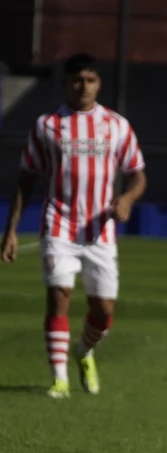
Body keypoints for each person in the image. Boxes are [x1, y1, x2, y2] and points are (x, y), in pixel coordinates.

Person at [1, 53, 147, 399]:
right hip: (59, 225)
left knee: (104, 310)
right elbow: (25, 180)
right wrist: (10, 231)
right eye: (76, 80)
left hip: (101, 231)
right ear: (66, 83)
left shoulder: (116, 125)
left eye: (90, 80)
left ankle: (83, 350)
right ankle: (59, 379)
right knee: (59, 298)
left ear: (98, 83)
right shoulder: (47, 125)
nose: (83, 86)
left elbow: (138, 175)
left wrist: (126, 199)